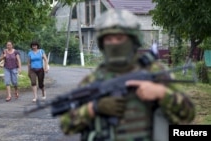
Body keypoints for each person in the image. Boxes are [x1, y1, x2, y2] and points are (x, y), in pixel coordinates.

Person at [59, 9, 195, 141]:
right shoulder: (93, 80)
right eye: (109, 39)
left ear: (133, 40)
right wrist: (93, 108)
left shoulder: (153, 71)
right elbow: (66, 125)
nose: (114, 44)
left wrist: (161, 93)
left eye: (119, 38)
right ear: (102, 43)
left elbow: (188, 114)